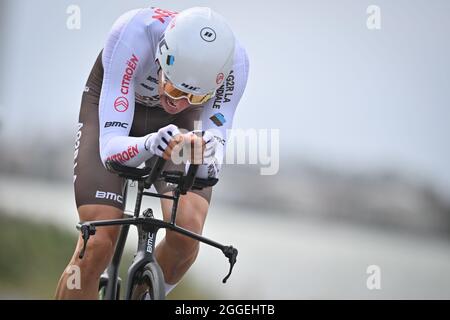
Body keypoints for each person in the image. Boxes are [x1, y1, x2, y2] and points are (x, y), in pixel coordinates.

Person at [55, 6, 249, 299]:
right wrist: (150, 144)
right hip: (113, 116)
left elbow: (216, 148)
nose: (179, 101)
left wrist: (209, 149)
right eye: (172, 88)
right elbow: (110, 149)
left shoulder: (235, 62)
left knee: (186, 235)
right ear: (162, 56)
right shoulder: (132, 35)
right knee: (97, 243)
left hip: (177, 130)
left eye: (194, 97)